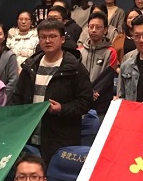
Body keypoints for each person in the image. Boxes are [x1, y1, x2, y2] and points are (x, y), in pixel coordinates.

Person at [13, 19, 93, 164]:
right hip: (29, 137)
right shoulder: (30, 66)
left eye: (52, 36)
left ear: (62, 39)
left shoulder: (75, 68)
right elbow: (17, 97)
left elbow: (85, 101)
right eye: (43, 37)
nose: (47, 41)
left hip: (60, 138)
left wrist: (62, 108)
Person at [78, 12, 119, 116]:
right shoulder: (79, 51)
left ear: (105, 30)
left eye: (98, 27)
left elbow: (106, 78)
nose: (94, 30)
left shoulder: (111, 52)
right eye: (91, 27)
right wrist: (85, 94)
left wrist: (92, 93)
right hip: (80, 102)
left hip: (101, 104)